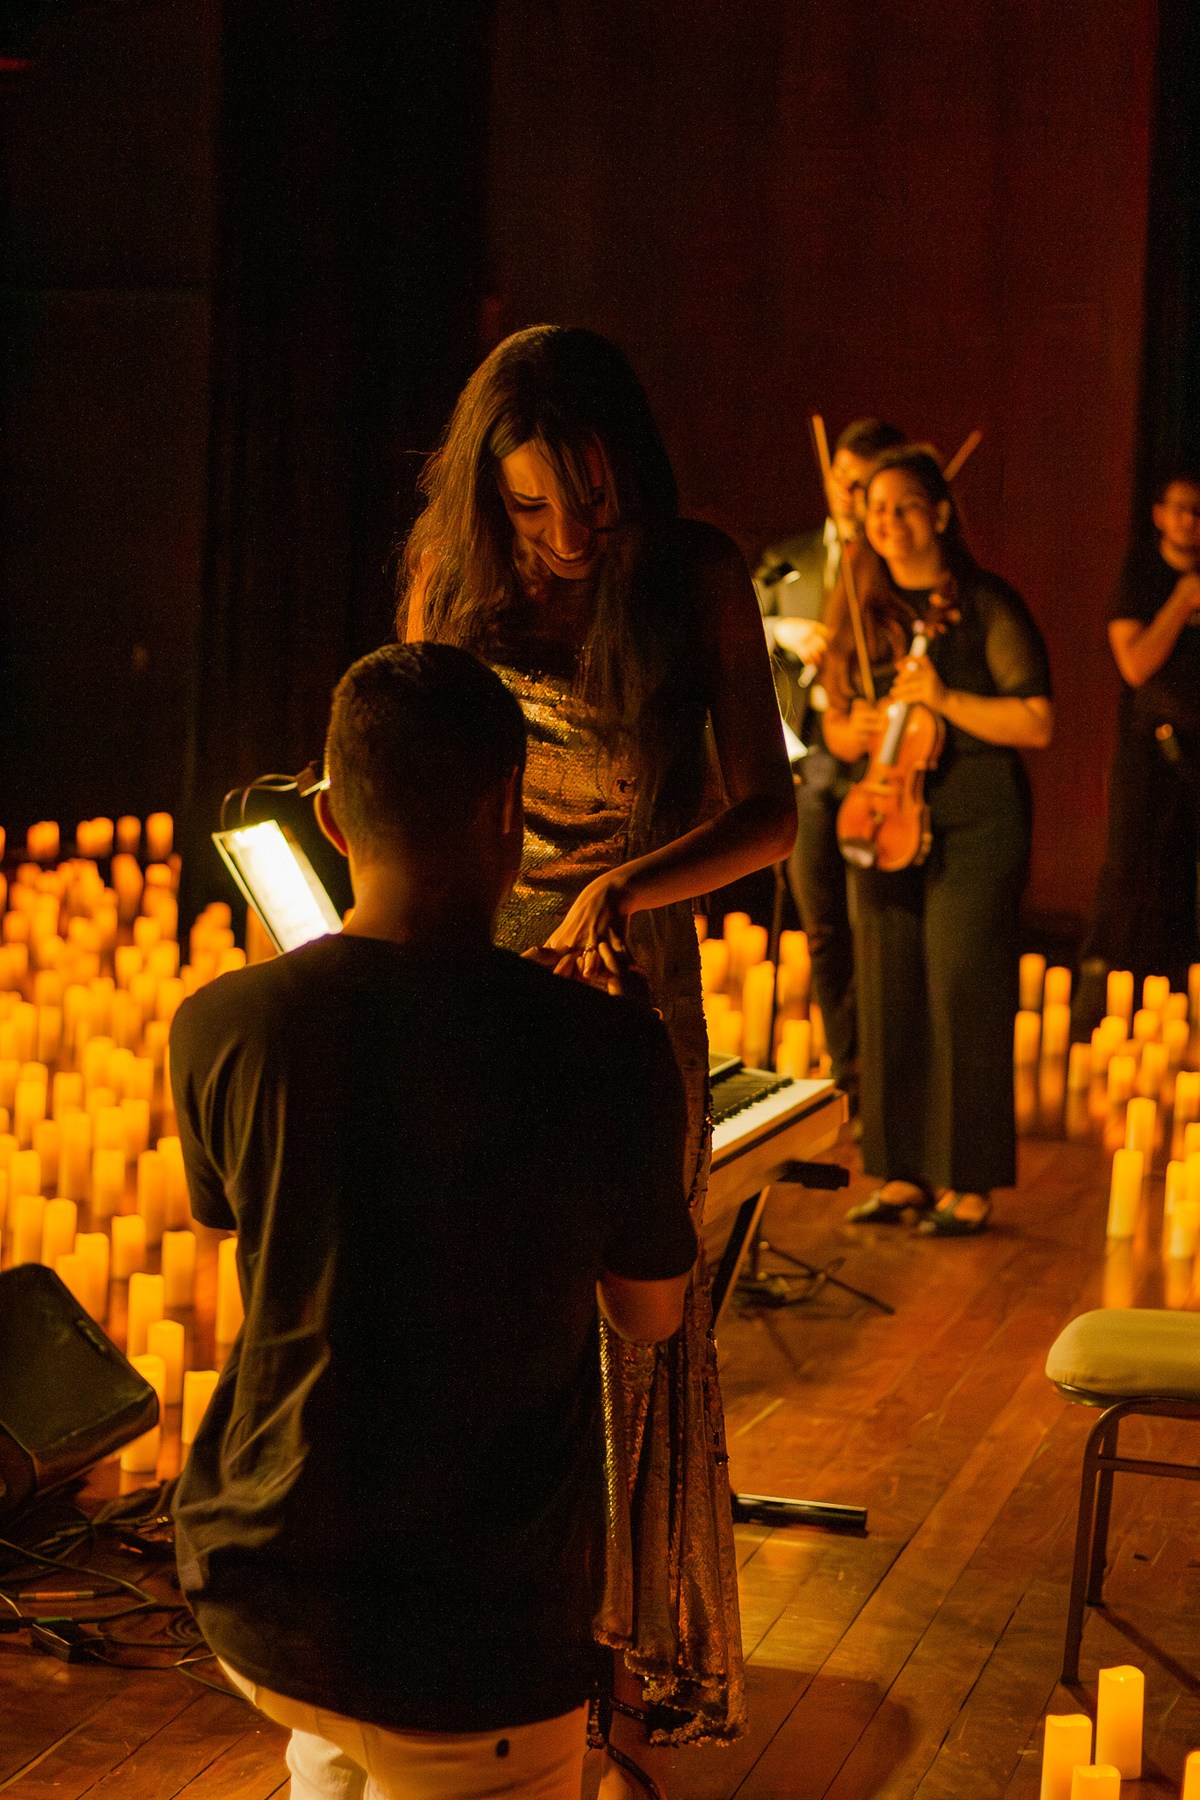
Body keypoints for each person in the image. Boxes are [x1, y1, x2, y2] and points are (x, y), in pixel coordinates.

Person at [169, 643, 699, 1800]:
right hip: (478, 1638)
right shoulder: (606, 1047)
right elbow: (653, 1317)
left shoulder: (223, 1026)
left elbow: (248, 1231)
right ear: (511, 814)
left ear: (329, 820)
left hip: (266, 1586)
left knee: (335, 1750)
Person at [399, 324, 796, 1764]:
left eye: (592, 502)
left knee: (639, 1331)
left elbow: (771, 813)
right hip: (484, 977)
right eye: (530, 508)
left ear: (634, 475)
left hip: (630, 980)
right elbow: (409, 779)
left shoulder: (696, 576)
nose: (566, 538)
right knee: (494, 1324)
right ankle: (499, 1651)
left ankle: (630, 1664)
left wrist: (626, 881)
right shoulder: (454, 585)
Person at [822, 445, 1053, 1236]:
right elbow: (837, 713)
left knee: (962, 989)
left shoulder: (986, 606)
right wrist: (847, 727)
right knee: (888, 987)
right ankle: (900, 1174)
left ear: (941, 513)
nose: (888, 522)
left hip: (975, 820)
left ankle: (970, 1182)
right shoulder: (861, 596)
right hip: (884, 810)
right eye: (875, 509)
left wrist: (946, 698)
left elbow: (1036, 719)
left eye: (905, 505)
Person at [755, 417, 906, 1099]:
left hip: (872, 766)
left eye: (862, 482)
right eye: (840, 477)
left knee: (874, 924)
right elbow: (745, 611)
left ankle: (886, 1067)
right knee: (820, 924)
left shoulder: (888, 566)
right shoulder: (793, 559)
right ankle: (849, 1068)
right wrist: (778, 627)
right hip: (806, 761)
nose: (846, 491)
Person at [1073, 471, 1200, 1027]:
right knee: (1126, 869)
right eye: (1181, 508)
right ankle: (1096, 1003)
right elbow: (1135, 664)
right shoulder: (1142, 574)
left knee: (1182, 877)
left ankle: (1172, 1003)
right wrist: (1183, 599)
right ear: (1158, 513)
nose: (1190, 520)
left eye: (1199, 510)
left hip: (1196, 754)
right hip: (1147, 749)